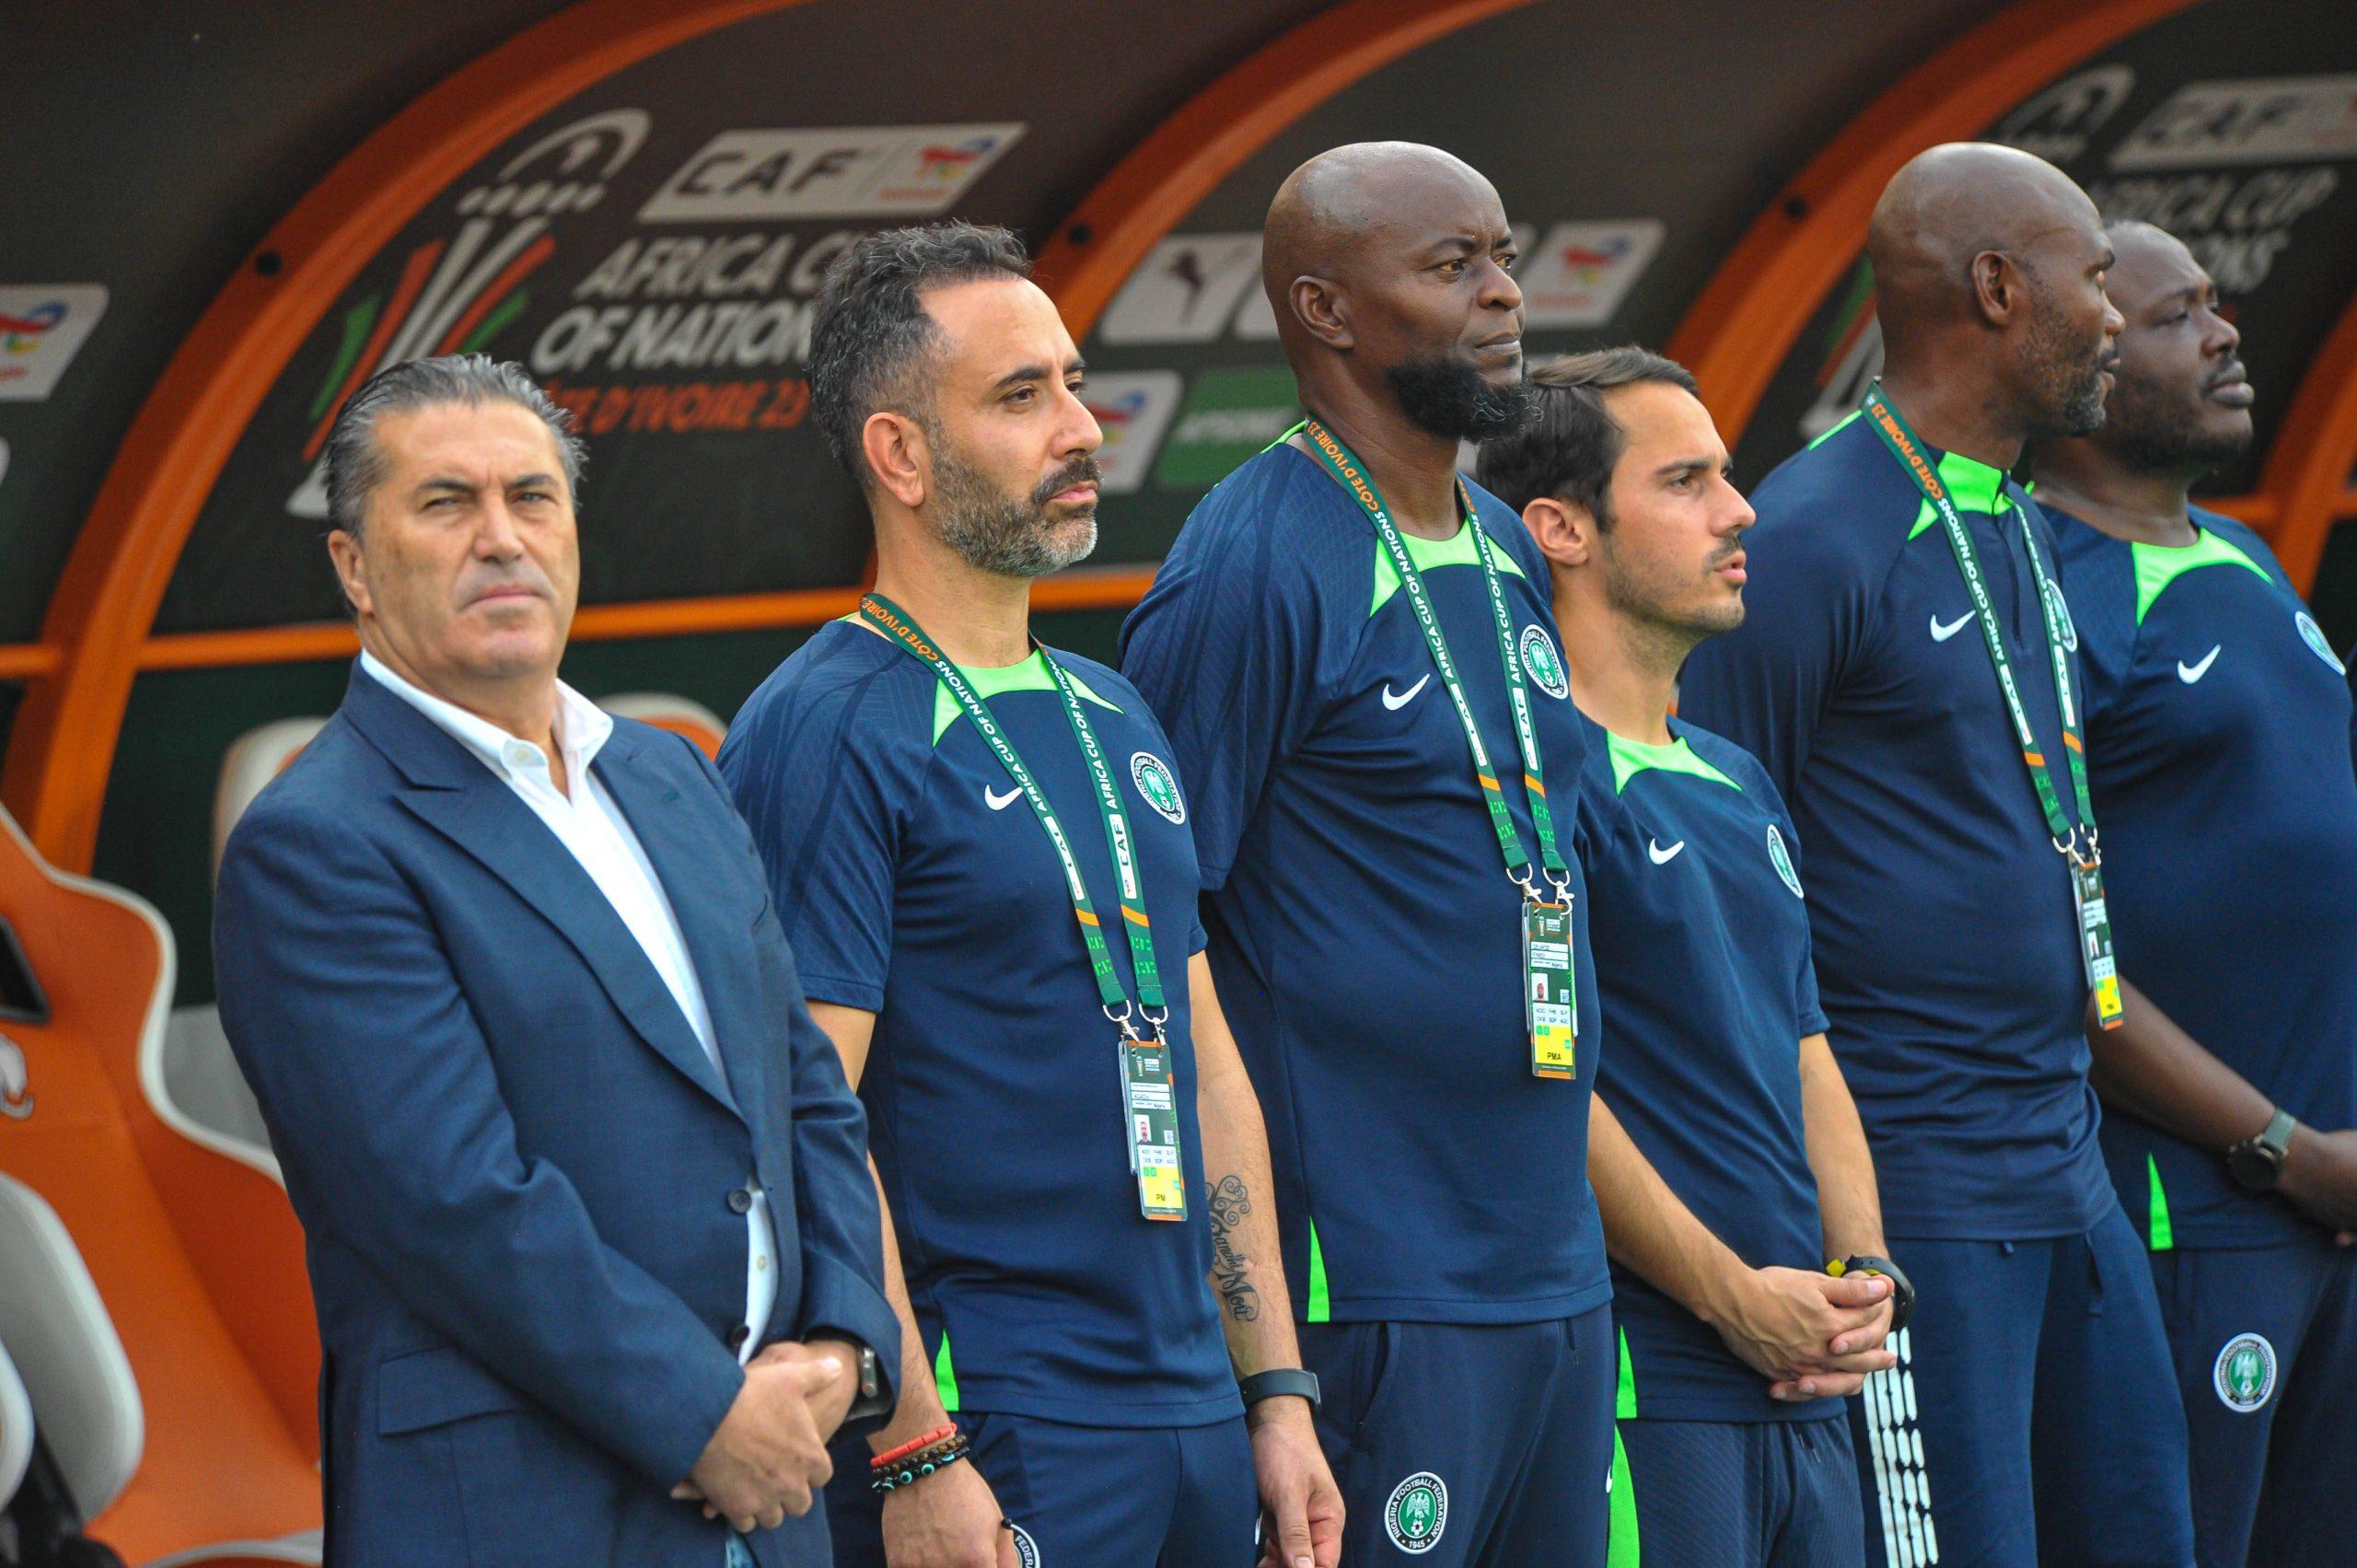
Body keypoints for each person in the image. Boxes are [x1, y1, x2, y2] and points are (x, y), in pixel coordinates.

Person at [720, 224, 1341, 1568]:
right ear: (899, 455)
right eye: (1021, 396)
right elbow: (802, 1118)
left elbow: (1206, 1065)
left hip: (1193, 1414)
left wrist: (1275, 1394)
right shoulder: (828, 727)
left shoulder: (1113, 708)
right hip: (992, 1419)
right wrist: (914, 1445)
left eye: (1073, 383)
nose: (1081, 428)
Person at [212, 354, 899, 1568]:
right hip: (524, 1513)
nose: (501, 538)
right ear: (354, 568)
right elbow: (453, 1203)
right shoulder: (314, 842)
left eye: (531, 497)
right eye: (445, 503)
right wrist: (706, 1414)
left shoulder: (670, 775)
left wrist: (846, 1346)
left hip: (778, 1490)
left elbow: (804, 1096)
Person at [1676, 143, 2195, 1568]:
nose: (2111, 314)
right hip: (1918, 1192)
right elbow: (1713, 859)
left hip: (2070, 1166)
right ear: (1998, 289)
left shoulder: (2009, 513)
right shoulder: (1813, 534)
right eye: (2095, 278)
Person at [1122, 143, 1615, 1566]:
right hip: (1374, 1286)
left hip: (1554, 1271)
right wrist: (1258, 1346)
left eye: (1502, 255)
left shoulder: (1508, 545)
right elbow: (1157, 942)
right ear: (1325, 311)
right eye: (1453, 266)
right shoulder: (1254, 566)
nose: (1504, 293)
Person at [1475, 347, 1896, 1567]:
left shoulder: (1739, 778)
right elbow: (1550, 1085)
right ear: (1561, 528)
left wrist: (1862, 1273)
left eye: (1727, 475)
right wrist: (1732, 1297)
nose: (1740, 510)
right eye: (1686, 482)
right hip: (1651, 1386)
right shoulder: (1531, 783)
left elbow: (1805, 1046)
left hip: (1810, 1376)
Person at [2029, 221, 2357, 1568]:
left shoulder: (2240, 552)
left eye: (2215, 304)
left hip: (2335, 1202)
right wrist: (2285, 1148)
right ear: (2089, 359)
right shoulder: (2045, 595)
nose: (2225, 335)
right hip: (2204, 1208)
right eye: (2176, 317)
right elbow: (2053, 953)